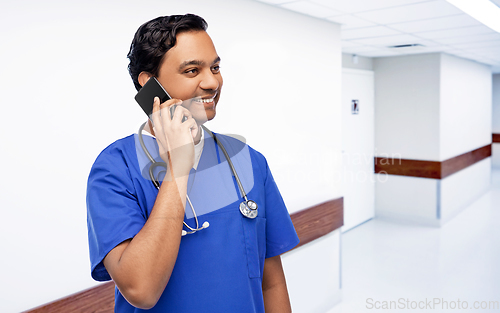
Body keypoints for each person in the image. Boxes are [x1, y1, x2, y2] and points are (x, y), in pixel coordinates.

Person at [86, 14, 299, 312]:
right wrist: (179, 165)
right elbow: (141, 290)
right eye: (192, 70)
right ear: (150, 85)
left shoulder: (249, 162)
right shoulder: (115, 168)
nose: (212, 82)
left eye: (215, 67)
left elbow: (271, 282)